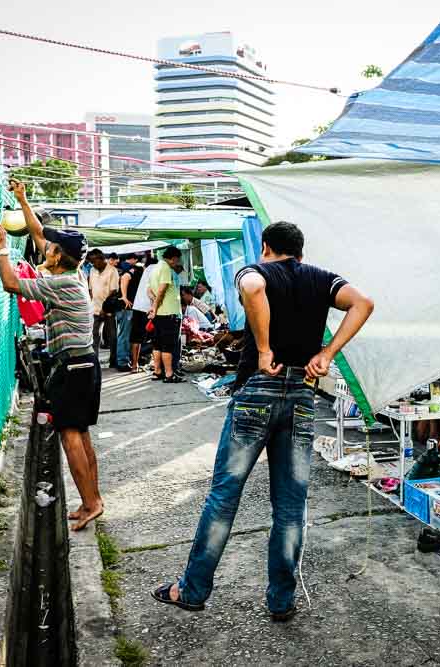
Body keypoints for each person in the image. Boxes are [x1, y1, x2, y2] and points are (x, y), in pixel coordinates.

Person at [151, 221, 374, 621]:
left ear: (266, 246)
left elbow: (253, 288)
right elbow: (364, 304)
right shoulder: (322, 279)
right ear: (300, 253)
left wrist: (265, 347)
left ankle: (193, 589)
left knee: (224, 496)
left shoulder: (256, 271)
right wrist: (328, 353)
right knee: (290, 506)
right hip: (302, 396)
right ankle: (281, 601)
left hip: (259, 390)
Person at [0, 179, 104, 531]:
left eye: (50, 248)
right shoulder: (72, 271)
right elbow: (41, 236)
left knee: (71, 437)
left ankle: (90, 504)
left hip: (72, 367)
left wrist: (2, 248)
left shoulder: (58, 283)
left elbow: (11, 284)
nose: (45, 248)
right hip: (84, 364)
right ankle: (94, 499)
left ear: (57, 256)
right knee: (81, 435)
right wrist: (22, 200)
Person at [148, 246, 185, 383]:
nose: (177, 262)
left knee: (157, 344)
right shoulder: (165, 268)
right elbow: (162, 291)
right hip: (169, 313)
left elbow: (149, 291)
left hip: (159, 315)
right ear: (174, 258)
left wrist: (154, 308)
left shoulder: (155, 268)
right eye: (178, 259)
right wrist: (155, 307)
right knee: (168, 345)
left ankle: (157, 372)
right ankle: (169, 374)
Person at [88, 249, 119, 359]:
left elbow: (113, 291)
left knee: (112, 336)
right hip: (95, 308)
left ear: (101, 259)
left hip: (108, 309)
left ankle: (113, 359)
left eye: (94, 261)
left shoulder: (112, 270)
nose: (92, 264)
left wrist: (104, 308)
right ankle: (94, 359)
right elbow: (91, 289)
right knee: (94, 335)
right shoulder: (92, 270)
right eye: (91, 262)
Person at [114, 254, 143, 372]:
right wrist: (124, 296)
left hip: (127, 308)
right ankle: (122, 362)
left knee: (124, 334)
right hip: (127, 307)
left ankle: (123, 360)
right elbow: (125, 277)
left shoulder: (132, 268)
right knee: (124, 335)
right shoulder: (134, 270)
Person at [130, 255, 159, 372]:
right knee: (155, 338)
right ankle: (157, 366)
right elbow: (152, 290)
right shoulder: (156, 270)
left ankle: (134, 366)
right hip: (148, 308)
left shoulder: (146, 270)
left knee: (136, 338)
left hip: (138, 307)